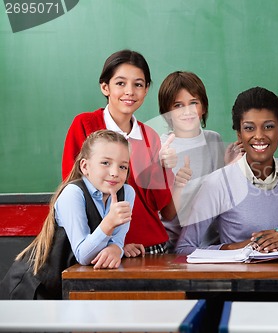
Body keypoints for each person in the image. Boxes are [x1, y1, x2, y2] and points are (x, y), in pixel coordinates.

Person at [175, 86, 278, 254]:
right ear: (239, 135)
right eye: (249, 128)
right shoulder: (217, 182)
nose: (259, 136)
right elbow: (183, 248)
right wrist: (237, 247)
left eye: (269, 126)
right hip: (238, 278)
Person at [61, 49, 174, 256]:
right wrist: (114, 244)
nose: (130, 91)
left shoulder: (150, 136)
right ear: (105, 87)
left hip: (153, 246)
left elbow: (158, 204)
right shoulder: (85, 125)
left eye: (138, 84)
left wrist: (164, 168)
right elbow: (75, 188)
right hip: (101, 250)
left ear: (146, 89)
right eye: (120, 83)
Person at [0, 130, 135, 299]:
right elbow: (84, 255)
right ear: (85, 166)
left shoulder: (127, 193)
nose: (115, 172)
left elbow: (117, 241)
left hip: (69, 287)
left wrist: (116, 248)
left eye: (123, 166)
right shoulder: (73, 193)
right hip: (34, 288)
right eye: (105, 163)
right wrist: (109, 223)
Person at [157, 71, 243, 251]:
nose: (187, 111)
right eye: (178, 105)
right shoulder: (159, 145)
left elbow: (216, 192)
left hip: (210, 243)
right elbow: (163, 209)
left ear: (203, 107)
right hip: (170, 244)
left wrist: (228, 167)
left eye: (193, 103)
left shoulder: (213, 139)